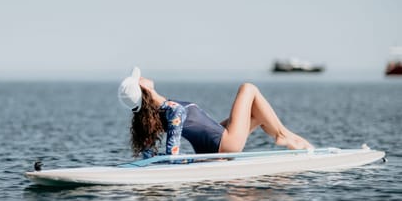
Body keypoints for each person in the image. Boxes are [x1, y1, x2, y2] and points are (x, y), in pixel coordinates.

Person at [118, 67, 314, 158]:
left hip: (215, 144)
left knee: (256, 114)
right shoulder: (172, 110)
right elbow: (172, 154)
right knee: (248, 88)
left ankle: (286, 136)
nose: (142, 76)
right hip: (224, 144)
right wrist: (187, 165)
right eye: (139, 79)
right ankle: (282, 135)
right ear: (143, 90)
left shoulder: (157, 112)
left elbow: (148, 154)